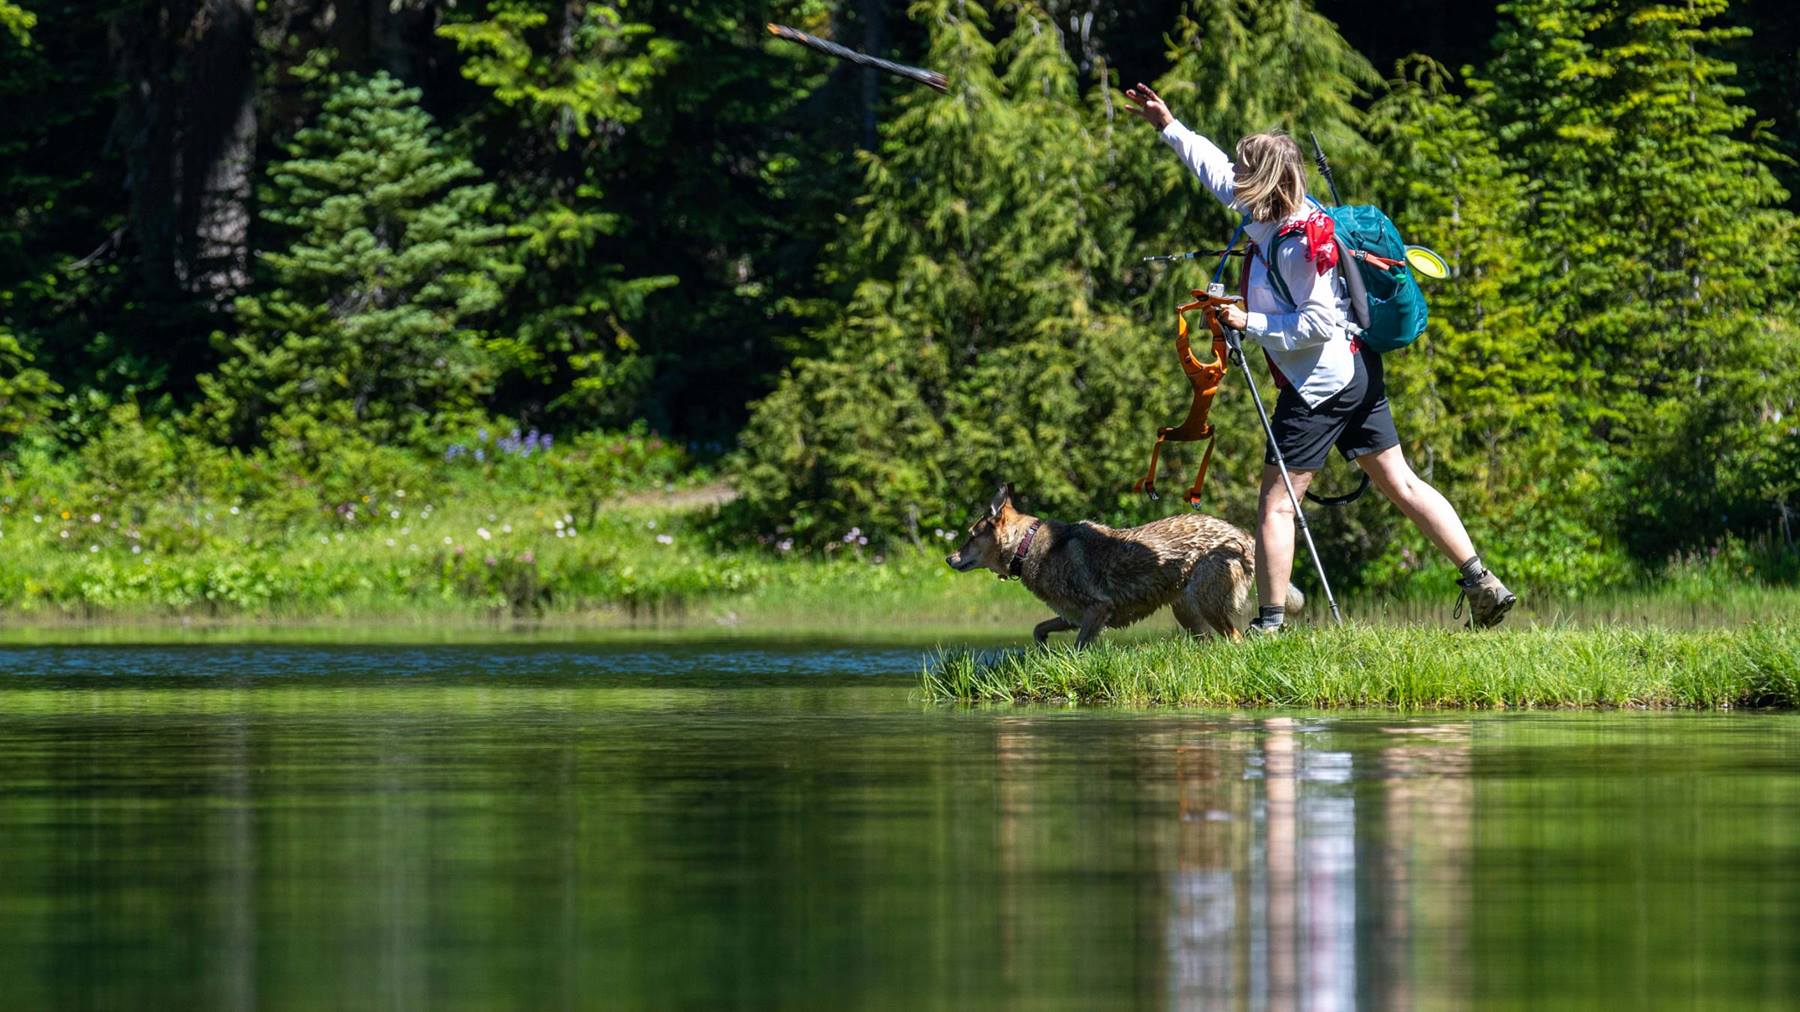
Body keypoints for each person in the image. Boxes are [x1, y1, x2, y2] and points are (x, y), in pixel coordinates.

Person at [1122, 82, 1516, 630]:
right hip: (1353, 370)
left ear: (1261, 180)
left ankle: (1269, 625)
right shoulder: (1272, 216)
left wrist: (1247, 321)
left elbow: (1316, 323)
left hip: (1318, 385)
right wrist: (1169, 125)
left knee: (1277, 506)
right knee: (1400, 482)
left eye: (1244, 168)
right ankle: (1481, 581)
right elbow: (1211, 168)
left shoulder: (1299, 243)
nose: (1234, 175)